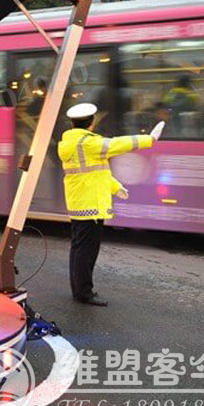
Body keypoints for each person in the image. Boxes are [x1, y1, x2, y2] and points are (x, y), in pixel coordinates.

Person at [58, 103, 164, 306]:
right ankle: (84, 293)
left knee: (79, 249)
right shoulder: (87, 143)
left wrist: (115, 187)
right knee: (86, 252)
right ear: (91, 122)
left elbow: (96, 173)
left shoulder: (71, 142)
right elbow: (117, 144)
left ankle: (79, 290)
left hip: (80, 202)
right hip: (91, 204)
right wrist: (149, 139)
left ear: (73, 123)